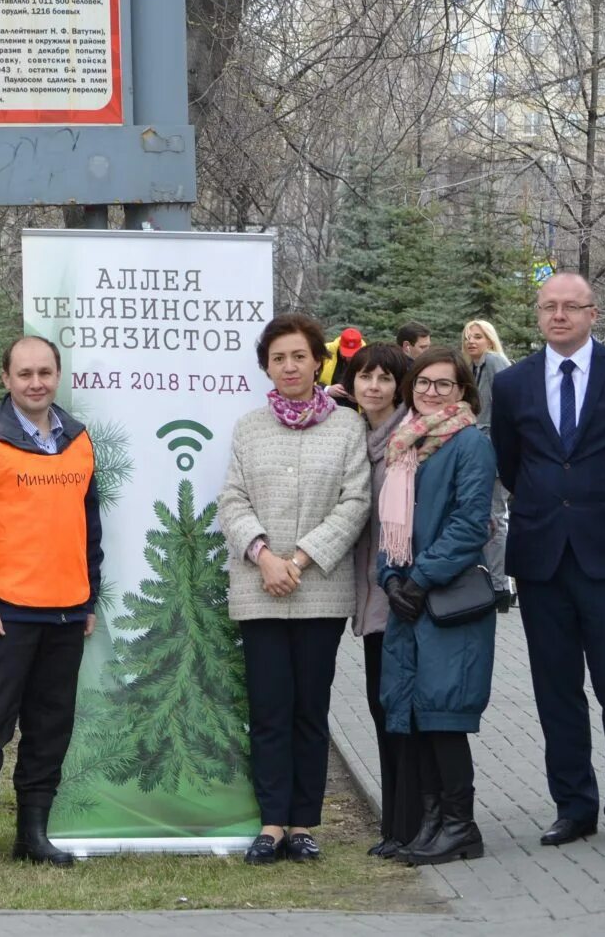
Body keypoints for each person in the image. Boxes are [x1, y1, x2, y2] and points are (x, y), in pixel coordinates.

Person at [490, 273, 605, 846]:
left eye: (571, 307)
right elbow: (510, 464)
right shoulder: (513, 384)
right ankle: (573, 805)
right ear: (538, 315)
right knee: (556, 689)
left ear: (593, 313)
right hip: (542, 560)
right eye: (549, 307)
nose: (558, 316)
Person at [0, 336, 102, 875]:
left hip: (65, 611)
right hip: (2, 613)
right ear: (6, 379)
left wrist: (89, 597)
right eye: (25, 373)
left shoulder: (79, 440)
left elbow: (90, 529)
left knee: (50, 727)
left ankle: (33, 833)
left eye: (45, 372)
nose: (36, 382)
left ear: (57, 375)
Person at [217, 314, 371, 864]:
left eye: (299, 357)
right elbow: (232, 500)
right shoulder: (249, 427)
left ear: (317, 361)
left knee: (311, 708)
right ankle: (273, 822)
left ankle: (305, 822)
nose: (289, 367)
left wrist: (299, 560)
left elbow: (355, 502)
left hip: (318, 588)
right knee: (269, 708)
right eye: (278, 358)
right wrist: (264, 556)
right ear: (267, 366)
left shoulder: (347, 427)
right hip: (261, 587)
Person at [377, 348, 497, 866]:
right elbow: (388, 526)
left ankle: (459, 826)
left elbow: (471, 525)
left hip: (445, 602)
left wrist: (419, 580)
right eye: (423, 383)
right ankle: (428, 822)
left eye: (444, 385)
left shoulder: (471, 444)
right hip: (409, 602)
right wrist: (389, 577)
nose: (431, 392)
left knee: (445, 717)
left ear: (463, 393)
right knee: (419, 717)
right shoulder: (406, 445)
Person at [342, 343, 415, 857]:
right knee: (378, 707)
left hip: (402, 598)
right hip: (369, 599)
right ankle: (393, 821)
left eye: (385, 378)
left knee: (401, 713)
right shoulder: (354, 437)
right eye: (364, 377)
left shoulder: (410, 441)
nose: (374, 387)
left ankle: (408, 823)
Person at [463, 319, 511, 584]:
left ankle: (500, 582)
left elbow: (507, 405)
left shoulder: (493, 361)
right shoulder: (473, 366)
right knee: (484, 514)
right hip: (480, 446)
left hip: (493, 449)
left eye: (478, 337)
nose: (471, 341)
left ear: (489, 340)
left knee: (496, 514)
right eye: (468, 337)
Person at [319, 325, 364, 401]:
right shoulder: (324, 352)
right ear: (340, 345)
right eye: (345, 354)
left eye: (353, 354)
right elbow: (307, 381)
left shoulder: (368, 356)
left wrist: (360, 398)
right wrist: (327, 389)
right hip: (325, 402)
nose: (348, 358)